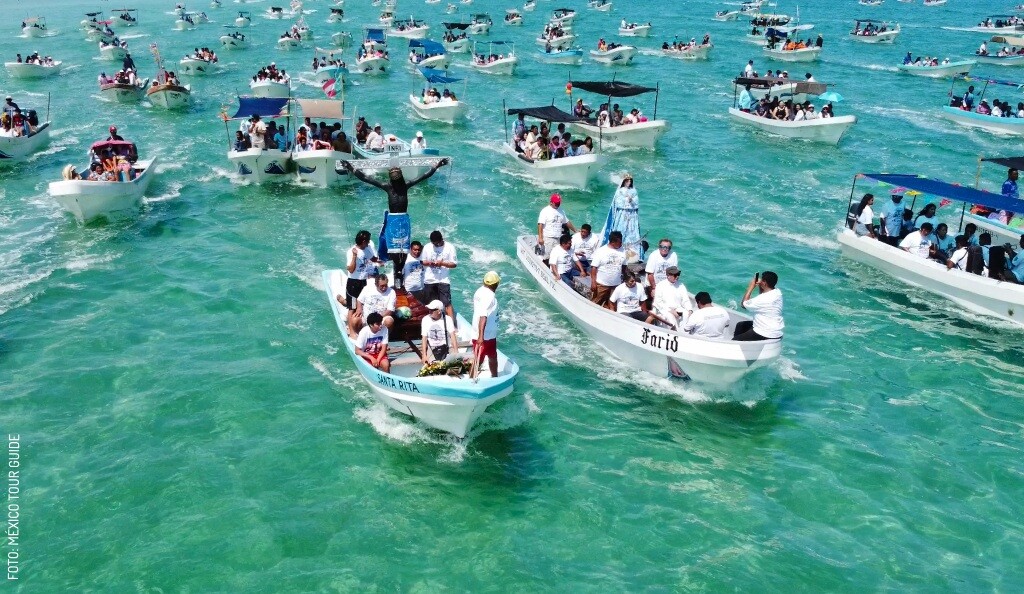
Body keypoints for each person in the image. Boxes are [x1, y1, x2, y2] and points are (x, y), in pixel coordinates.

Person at [340, 158, 449, 215]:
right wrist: (350, 167)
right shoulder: (394, 186)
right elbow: (365, 178)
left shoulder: (395, 186)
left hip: (402, 216)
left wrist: (438, 165)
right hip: (393, 217)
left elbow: (425, 176)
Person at [340, 230, 382, 332]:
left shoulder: (366, 249)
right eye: (367, 241)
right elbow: (350, 269)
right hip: (353, 283)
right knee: (352, 307)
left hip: (363, 282)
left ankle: (360, 325)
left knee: (362, 304)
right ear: (363, 241)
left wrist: (380, 261)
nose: (368, 243)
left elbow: (373, 259)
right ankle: (352, 331)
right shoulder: (351, 251)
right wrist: (354, 256)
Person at [734, 271, 784, 341]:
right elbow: (763, 295)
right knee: (741, 325)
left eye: (762, 280)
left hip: (764, 333)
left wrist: (751, 286)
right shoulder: (778, 293)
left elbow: (743, 305)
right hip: (776, 331)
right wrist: (761, 286)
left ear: (765, 282)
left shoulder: (761, 300)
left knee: (735, 340)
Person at [471, 271, 501, 379]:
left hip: (489, 334)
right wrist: (480, 337)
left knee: (493, 355)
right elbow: (483, 316)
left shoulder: (479, 291)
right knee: (479, 359)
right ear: (496, 284)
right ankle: (472, 379)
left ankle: (495, 377)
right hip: (485, 336)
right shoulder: (490, 296)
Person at [422, 230, 458, 317]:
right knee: (431, 304)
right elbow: (423, 262)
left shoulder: (450, 247)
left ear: (442, 239)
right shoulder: (427, 247)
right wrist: (430, 263)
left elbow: (454, 264)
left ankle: (451, 326)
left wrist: (442, 263)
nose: (436, 245)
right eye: (434, 244)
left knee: (447, 303)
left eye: (437, 243)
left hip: (443, 280)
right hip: (429, 280)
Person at [590, 230, 626, 308]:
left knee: (612, 305)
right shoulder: (601, 251)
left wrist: (624, 279)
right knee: (595, 303)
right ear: (613, 242)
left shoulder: (623, 250)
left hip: (616, 285)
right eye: (619, 242)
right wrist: (593, 282)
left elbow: (624, 266)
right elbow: (594, 267)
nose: (621, 244)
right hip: (602, 284)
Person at [537, 193, 575, 259]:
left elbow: (566, 221)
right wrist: (540, 238)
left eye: (559, 202)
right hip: (548, 238)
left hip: (558, 238)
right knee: (546, 257)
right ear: (551, 202)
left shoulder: (561, 210)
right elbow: (540, 224)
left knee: (556, 256)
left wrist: (575, 230)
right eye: (556, 203)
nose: (558, 204)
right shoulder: (545, 211)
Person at [420, 300, 458, 364]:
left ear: (439, 311)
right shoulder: (425, 319)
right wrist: (424, 355)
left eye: (432, 310)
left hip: (445, 348)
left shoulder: (447, 319)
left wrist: (456, 351)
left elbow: (452, 336)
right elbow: (424, 338)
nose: (430, 312)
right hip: (431, 349)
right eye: (429, 309)